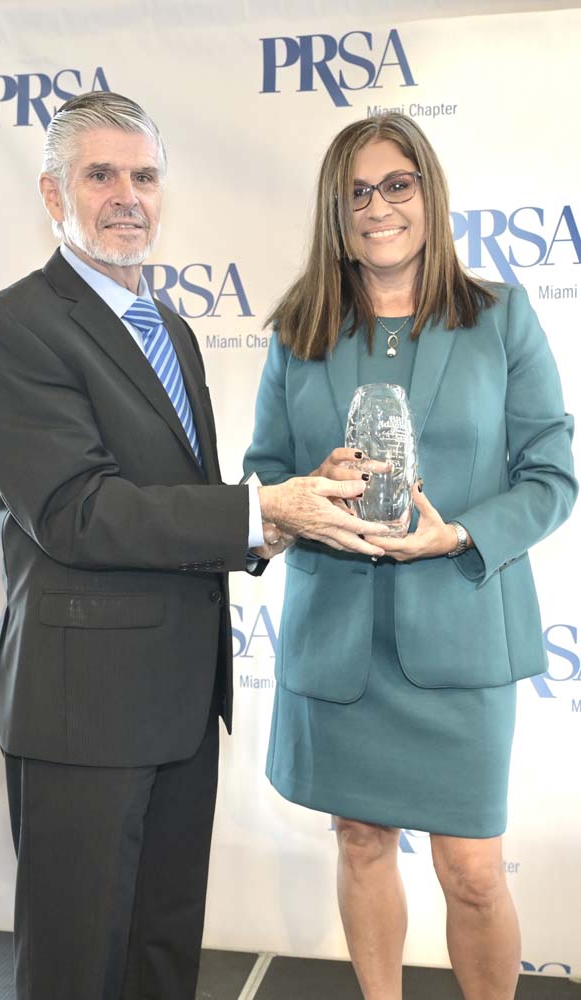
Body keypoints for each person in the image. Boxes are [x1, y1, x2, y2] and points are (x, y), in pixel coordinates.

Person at [0, 91, 382, 1000]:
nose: (127, 196)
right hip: (82, 710)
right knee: (76, 968)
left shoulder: (172, 329)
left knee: (162, 958)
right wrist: (265, 510)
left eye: (144, 176)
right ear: (50, 192)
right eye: (100, 175)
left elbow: (181, 503)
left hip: (182, 699)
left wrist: (281, 512)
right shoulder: (10, 328)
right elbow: (76, 510)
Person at [243, 113, 577, 1000]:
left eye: (397, 184)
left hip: (461, 638)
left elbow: (551, 475)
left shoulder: (500, 318)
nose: (378, 206)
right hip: (338, 642)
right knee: (359, 840)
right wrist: (306, 492)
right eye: (356, 192)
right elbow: (264, 476)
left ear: (427, 193)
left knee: (471, 869)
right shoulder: (296, 329)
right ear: (333, 211)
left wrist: (456, 532)